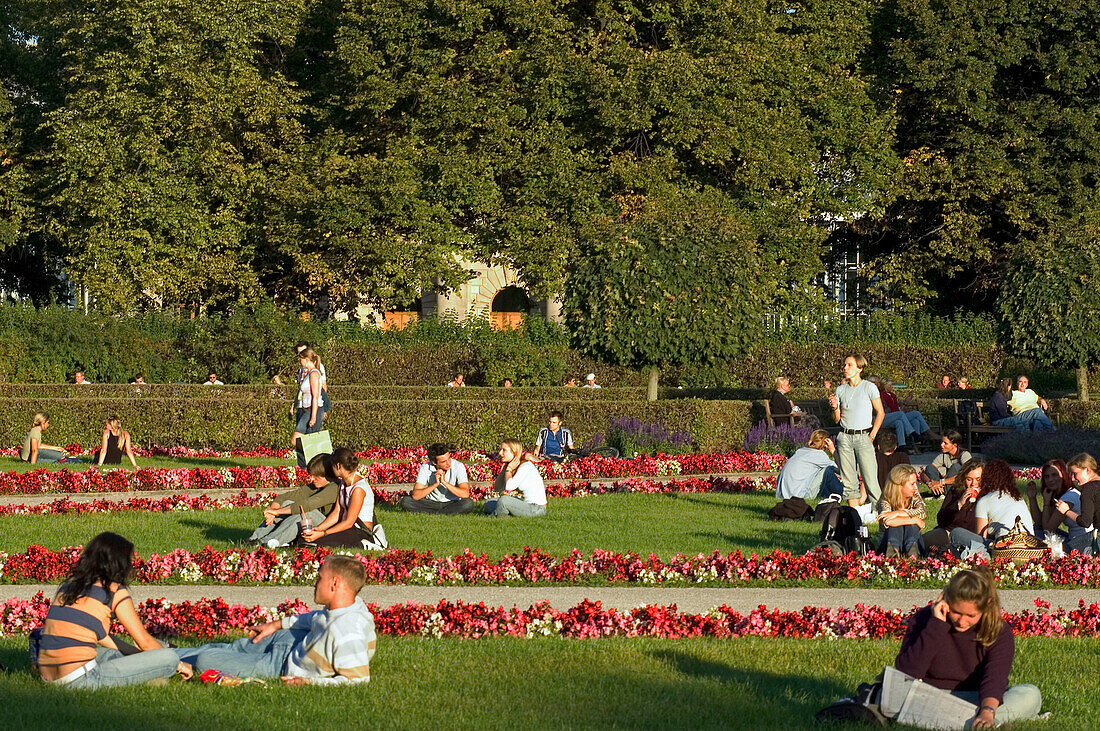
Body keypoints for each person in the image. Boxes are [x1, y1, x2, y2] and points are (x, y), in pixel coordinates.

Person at [174, 555, 375, 685]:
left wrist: (307, 683)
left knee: (206, 660)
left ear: (335, 583)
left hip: (280, 666)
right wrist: (275, 625)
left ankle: (164, 661)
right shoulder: (348, 604)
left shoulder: (348, 631)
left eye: (319, 578)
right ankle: (161, 652)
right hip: (292, 641)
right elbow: (316, 618)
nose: (314, 583)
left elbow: (358, 680)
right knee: (231, 648)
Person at [35, 532, 191, 687]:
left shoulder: (69, 586)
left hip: (48, 678)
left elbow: (104, 638)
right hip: (82, 679)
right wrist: (178, 664)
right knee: (168, 657)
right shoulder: (115, 591)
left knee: (113, 654)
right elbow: (145, 642)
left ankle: (145, 674)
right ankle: (151, 674)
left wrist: (138, 657)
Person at [893, 567, 1041, 726]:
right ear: (946, 599)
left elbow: (995, 679)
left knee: (1030, 695)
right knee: (888, 693)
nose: (962, 622)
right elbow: (906, 672)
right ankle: (974, 724)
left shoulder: (998, 630)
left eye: (971, 616)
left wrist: (987, 712)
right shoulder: (925, 619)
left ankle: (978, 722)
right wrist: (936, 626)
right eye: (956, 612)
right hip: (928, 696)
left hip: (975, 700)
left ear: (986, 605)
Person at [300, 447, 385, 548]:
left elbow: (349, 522)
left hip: (359, 531)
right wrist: (318, 529)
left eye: (332, 465)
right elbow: (337, 512)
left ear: (338, 466)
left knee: (318, 543)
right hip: (346, 528)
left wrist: (323, 533)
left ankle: (365, 544)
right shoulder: (343, 484)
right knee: (304, 540)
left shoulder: (358, 489)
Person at [829, 354, 884, 508]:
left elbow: (880, 412)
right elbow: (837, 419)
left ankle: (881, 516)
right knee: (848, 480)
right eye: (845, 365)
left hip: (864, 437)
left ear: (859, 368)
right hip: (844, 437)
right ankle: (854, 517)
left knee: (870, 479)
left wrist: (872, 436)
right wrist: (835, 408)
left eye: (849, 365)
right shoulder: (840, 389)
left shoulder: (869, 387)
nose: (845, 368)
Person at [251, 454, 340, 547]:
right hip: (316, 521)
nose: (312, 479)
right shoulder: (316, 486)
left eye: (316, 476)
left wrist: (277, 512)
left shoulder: (334, 488)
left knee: (305, 514)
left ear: (327, 475)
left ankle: (267, 542)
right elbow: (283, 498)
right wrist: (272, 512)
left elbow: (307, 504)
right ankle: (254, 538)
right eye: (311, 475)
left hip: (328, 526)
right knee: (287, 503)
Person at [1029, 459, 1091, 554]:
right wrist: (1032, 498)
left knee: (1041, 535)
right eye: (1047, 476)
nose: (1050, 479)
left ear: (1064, 475)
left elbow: (1048, 529)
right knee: (1037, 529)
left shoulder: (1069, 497)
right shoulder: (1060, 494)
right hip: (1074, 540)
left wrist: (1046, 502)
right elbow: (1039, 523)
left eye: (1054, 475)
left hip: (1083, 545)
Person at [923, 460, 985, 552]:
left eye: (978, 479)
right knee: (925, 540)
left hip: (973, 538)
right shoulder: (956, 491)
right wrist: (959, 504)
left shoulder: (987, 495)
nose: (973, 484)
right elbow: (941, 520)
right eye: (969, 479)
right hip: (949, 533)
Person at [399, 443, 475, 514]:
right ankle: (445, 512)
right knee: (405, 501)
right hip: (431, 503)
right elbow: (416, 495)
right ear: (434, 462)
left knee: (468, 503)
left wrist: (444, 482)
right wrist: (435, 484)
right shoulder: (425, 468)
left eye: (449, 458)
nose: (448, 463)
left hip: (452, 502)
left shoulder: (458, 466)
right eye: (443, 462)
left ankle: (437, 513)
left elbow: (465, 494)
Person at [775, 430, 843, 500]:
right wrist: (833, 450)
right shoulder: (818, 455)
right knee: (828, 470)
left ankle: (833, 495)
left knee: (822, 474)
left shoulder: (800, 451)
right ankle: (845, 493)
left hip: (783, 495)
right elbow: (842, 470)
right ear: (825, 443)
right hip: (800, 497)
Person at [485, 439, 547, 517]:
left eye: (504, 450)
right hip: (524, 504)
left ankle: (497, 515)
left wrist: (509, 470)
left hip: (536, 509)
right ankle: (505, 512)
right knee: (489, 502)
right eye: (500, 450)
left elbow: (509, 487)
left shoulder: (525, 466)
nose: (500, 453)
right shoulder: (513, 465)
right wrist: (504, 469)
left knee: (504, 500)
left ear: (514, 452)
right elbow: (497, 488)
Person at [974, 459, 1032, 540]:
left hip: (1005, 548)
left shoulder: (984, 501)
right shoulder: (1018, 498)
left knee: (956, 533)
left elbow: (980, 539)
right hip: (1030, 546)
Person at [878, 464, 925, 557]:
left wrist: (898, 513)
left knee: (911, 526)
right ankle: (893, 551)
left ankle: (912, 549)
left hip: (913, 537)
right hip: (887, 541)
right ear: (900, 486)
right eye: (912, 484)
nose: (916, 487)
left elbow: (921, 511)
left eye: (916, 483)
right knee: (896, 527)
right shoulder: (885, 500)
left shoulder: (914, 496)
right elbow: (887, 521)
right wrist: (914, 519)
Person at [1058, 452, 1100, 550]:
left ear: (1087, 470)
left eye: (1075, 473)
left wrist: (1066, 511)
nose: (1072, 478)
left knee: (1061, 550)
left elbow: (1085, 522)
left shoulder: (1088, 489)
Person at [880, 379, 936, 451]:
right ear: (885, 386)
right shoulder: (882, 395)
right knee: (905, 416)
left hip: (899, 416)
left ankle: (915, 445)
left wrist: (905, 402)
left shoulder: (893, 395)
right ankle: (917, 435)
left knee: (915, 419)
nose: (892, 387)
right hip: (890, 416)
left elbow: (899, 409)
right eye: (890, 385)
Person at [291, 348, 323, 469]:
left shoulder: (314, 374)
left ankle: (315, 466)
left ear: (306, 360)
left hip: (312, 410)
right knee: (300, 441)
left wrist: (313, 416)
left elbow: (315, 396)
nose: (300, 362)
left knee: (300, 440)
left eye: (301, 359)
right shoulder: (307, 373)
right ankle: (304, 467)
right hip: (305, 409)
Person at [922, 431, 972, 496]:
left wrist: (941, 482)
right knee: (930, 467)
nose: (941, 445)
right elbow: (923, 474)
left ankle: (943, 493)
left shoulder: (965, 455)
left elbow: (966, 475)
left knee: (956, 466)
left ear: (954, 445)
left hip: (958, 486)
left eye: (945, 443)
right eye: (942, 442)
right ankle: (939, 492)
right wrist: (929, 483)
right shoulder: (943, 456)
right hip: (945, 486)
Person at [294, 342, 331, 421]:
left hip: (313, 406)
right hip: (302, 405)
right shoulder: (302, 368)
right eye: (299, 353)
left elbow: (323, 386)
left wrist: (322, 406)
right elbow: (300, 387)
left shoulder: (317, 367)